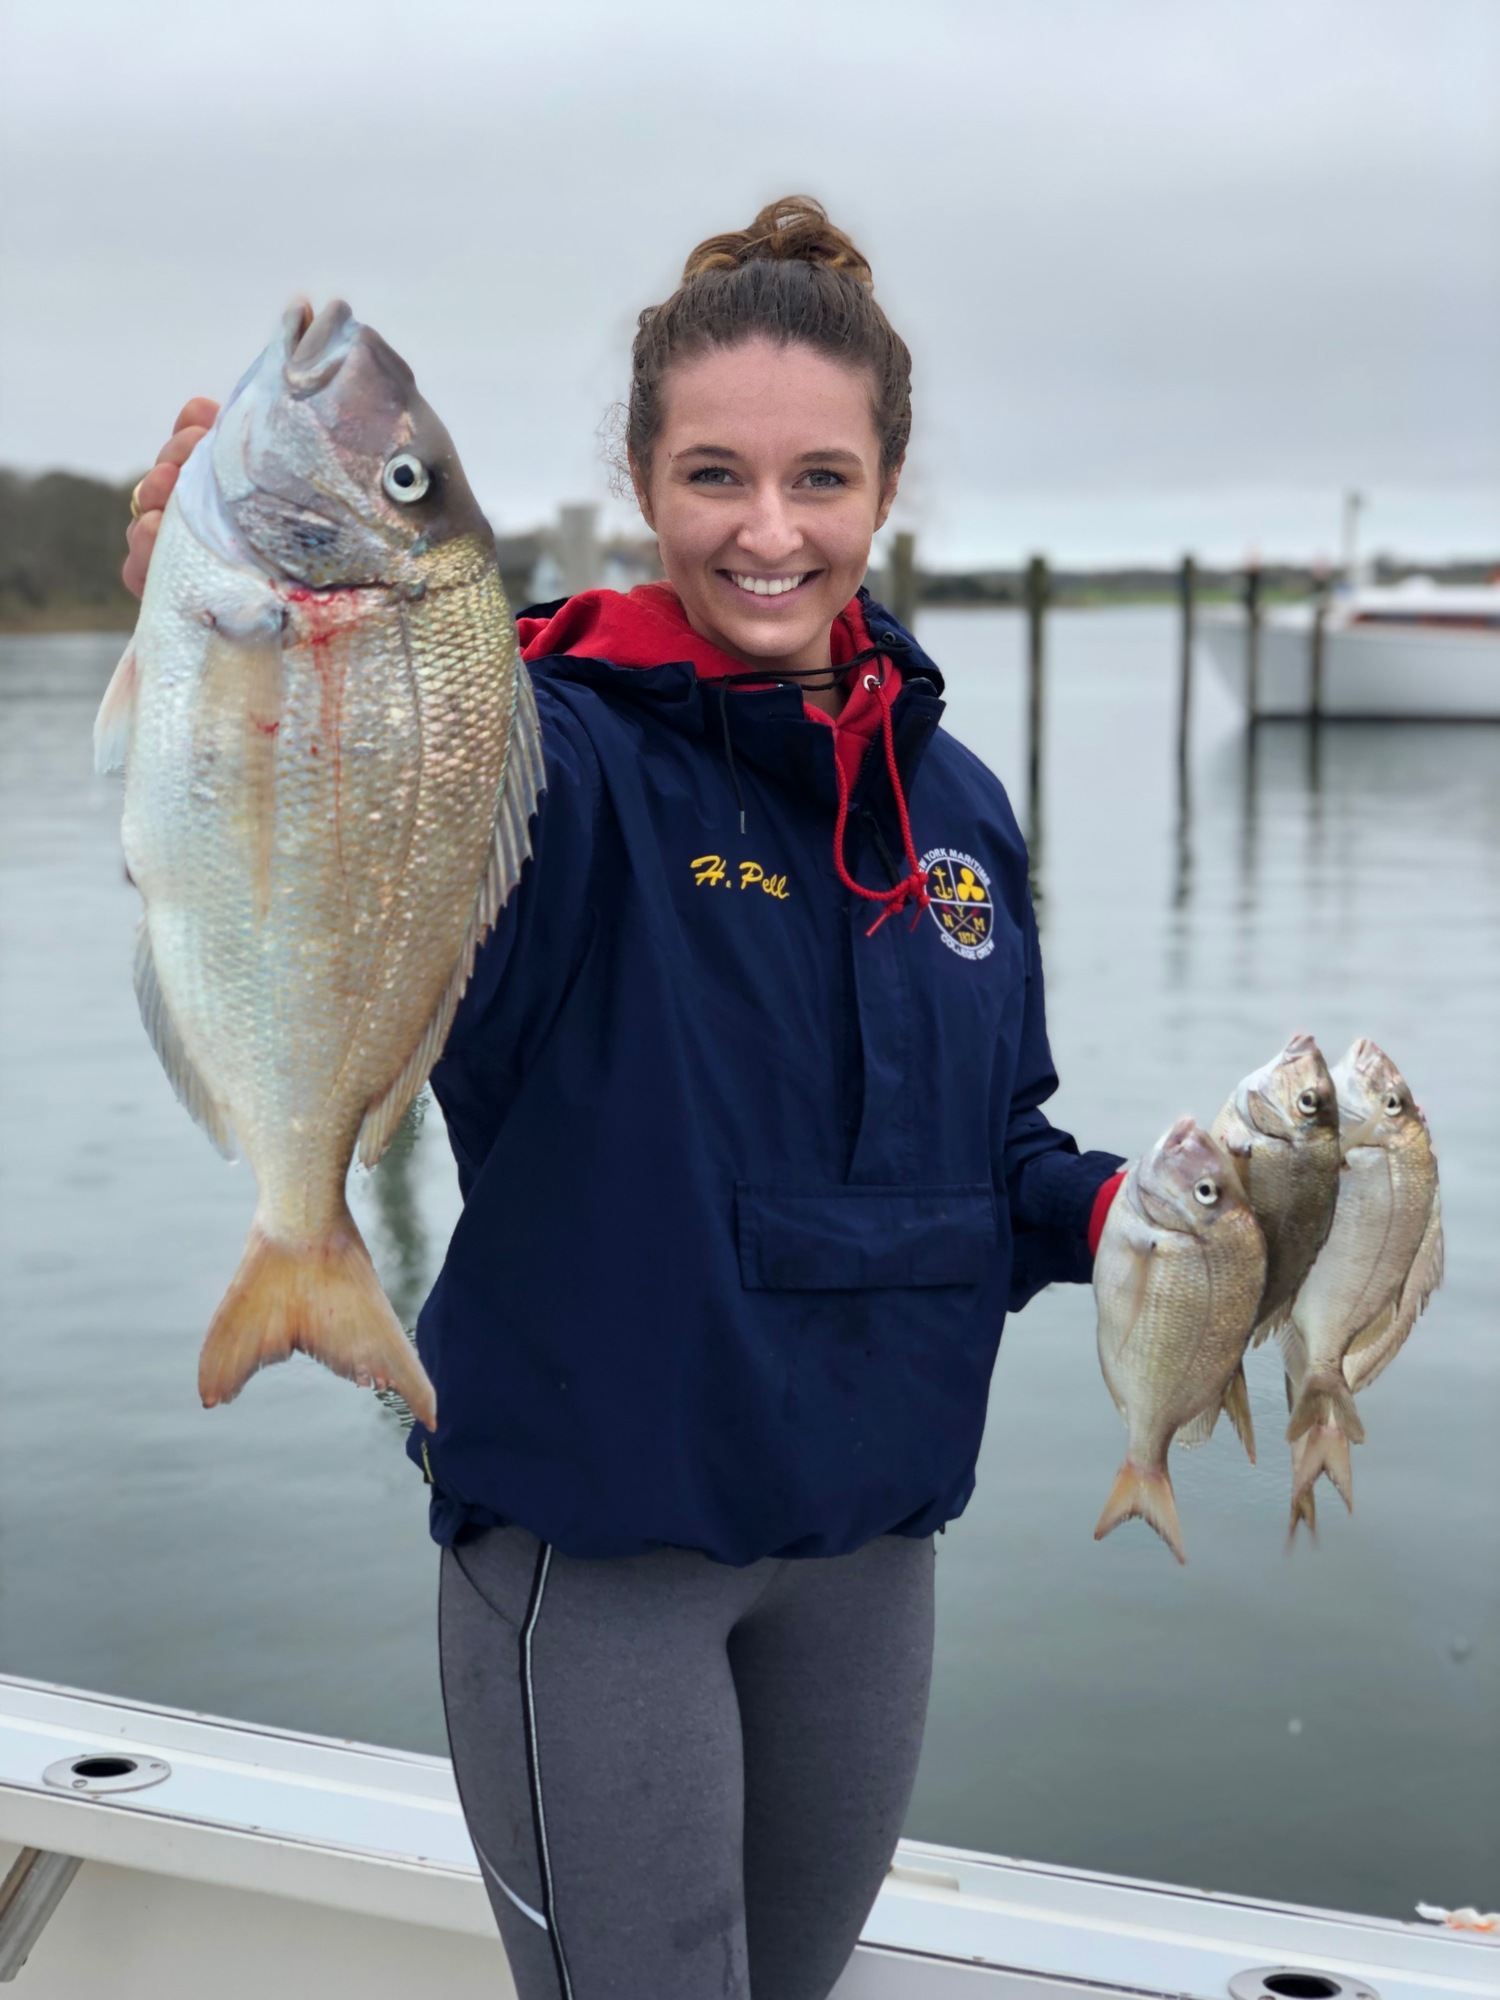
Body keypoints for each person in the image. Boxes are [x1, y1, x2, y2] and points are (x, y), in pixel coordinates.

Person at [125, 196, 1125, 2000]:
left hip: (868, 1548)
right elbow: (387, 794)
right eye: (714, 474)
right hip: (600, 1551)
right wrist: (242, 653)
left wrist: (1129, 1217)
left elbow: (992, 1158)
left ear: (883, 491)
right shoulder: (549, 749)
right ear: (644, 485)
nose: (767, 530)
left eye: (819, 477)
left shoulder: (956, 806)